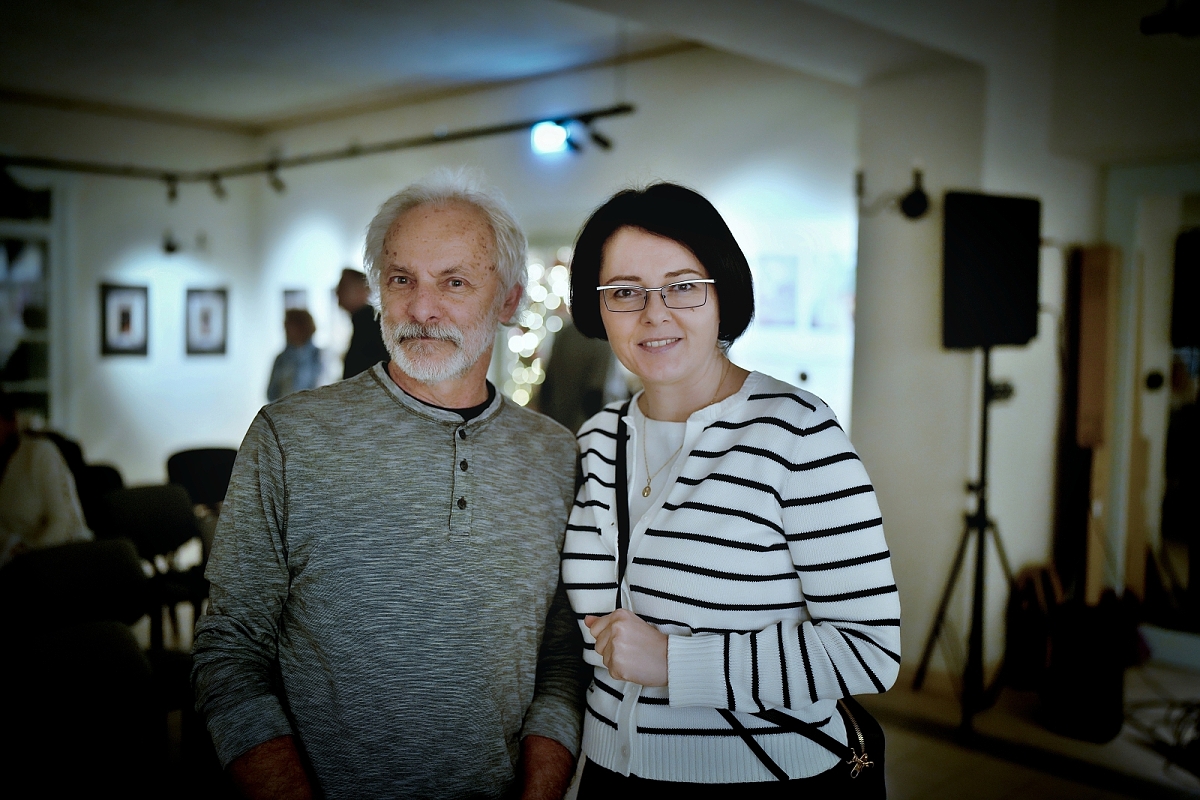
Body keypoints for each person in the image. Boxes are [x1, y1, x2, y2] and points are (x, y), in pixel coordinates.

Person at [192, 170, 585, 799]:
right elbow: (230, 653)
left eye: (454, 282)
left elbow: (561, 662)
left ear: (510, 302)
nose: (421, 309)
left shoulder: (555, 456)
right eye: (402, 279)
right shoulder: (290, 438)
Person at [561, 183, 900, 795]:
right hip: (608, 777)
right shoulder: (595, 439)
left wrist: (674, 663)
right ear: (598, 307)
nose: (654, 313)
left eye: (683, 286)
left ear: (723, 294)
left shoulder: (798, 432)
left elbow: (868, 650)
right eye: (625, 292)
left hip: (761, 776)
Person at [0, 392, 92, 566]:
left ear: (9, 422)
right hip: (16, 561)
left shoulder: (39, 453)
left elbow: (62, 522)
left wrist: (28, 559)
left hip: (63, 554)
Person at [337, 267, 390, 378]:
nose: (337, 292)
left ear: (362, 291)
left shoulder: (371, 325)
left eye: (343, 287)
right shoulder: (362, 322)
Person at [266, 309, 322, 401]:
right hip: (285, 408)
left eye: (291, 327)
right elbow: (271, 393)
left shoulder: (319, 356)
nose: (286, 331)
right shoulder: (281, 359)